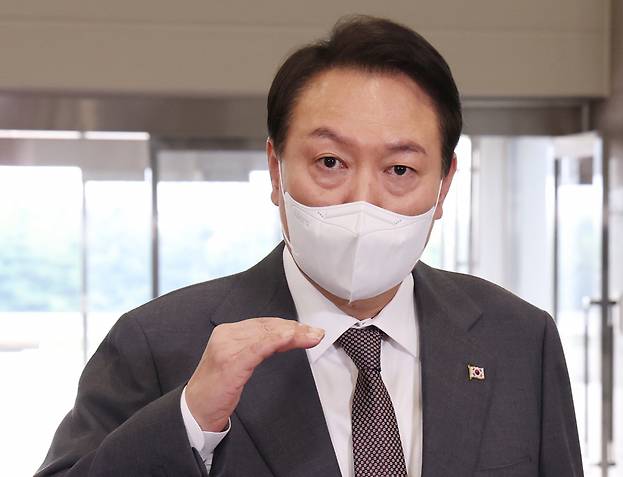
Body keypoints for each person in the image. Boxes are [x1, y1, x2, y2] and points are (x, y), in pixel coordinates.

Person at [36, 16, 583, 477]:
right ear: (276, 170)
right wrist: (188, 422)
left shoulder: (518, 339)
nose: (363, 201)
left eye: (400, 169)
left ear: (444, 184)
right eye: (330, 163)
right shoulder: (159, 344)